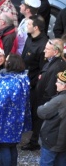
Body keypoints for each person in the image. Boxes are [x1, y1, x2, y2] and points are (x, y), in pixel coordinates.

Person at [0, 54, 32, 166]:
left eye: (7, 61)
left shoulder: (7, 81)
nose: (4, 62)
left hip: (5, 119)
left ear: (10, 64)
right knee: (12, 146)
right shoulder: (23, 79)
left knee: (4, 146)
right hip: (17, 119)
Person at [22, 38, 66, 151]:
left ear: (55, 51)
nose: (44, 51)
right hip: (41, 99)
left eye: (47, 49)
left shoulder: (58, 66)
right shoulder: (52, 61)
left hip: (46, 102)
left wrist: (45, 105)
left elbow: (52, 88)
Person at [35, 69, 66, 166]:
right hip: (63, 141)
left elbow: (42, 112)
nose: (56, 83)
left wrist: (43, 106)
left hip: (53, 139)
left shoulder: (59, 100)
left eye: (59, 82)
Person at [21, 15, 49, 151]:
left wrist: (32, 83)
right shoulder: (29, 37)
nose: (27, 26)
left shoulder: (43, 44)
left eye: (29, 24)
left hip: (34, 84)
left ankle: (33, 141)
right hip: (25, 79)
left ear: (36, 27)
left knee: (35, 112)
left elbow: (43, 69)